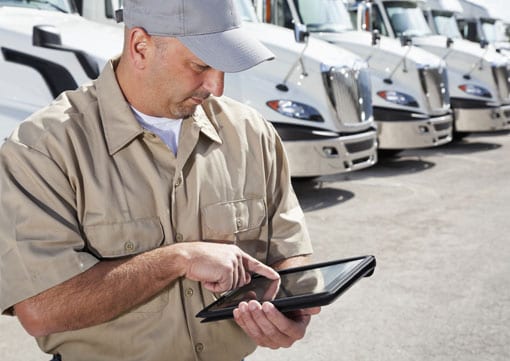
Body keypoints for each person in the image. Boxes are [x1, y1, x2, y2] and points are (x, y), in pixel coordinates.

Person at [0, 0, 320, 360]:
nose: (216, 85)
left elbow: (290, 253)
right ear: (140, 46)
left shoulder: (251, 133)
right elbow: (42, 310)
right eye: (200, 65)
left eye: (224, 66)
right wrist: (178, 259)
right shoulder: (43, 148)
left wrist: (292, 314)